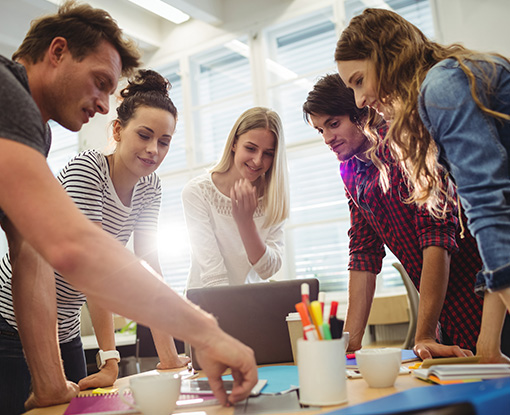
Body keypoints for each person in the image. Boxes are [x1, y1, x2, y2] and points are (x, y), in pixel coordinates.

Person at [0, 2, 257, 413]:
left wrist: (49, 382)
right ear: (58, 51)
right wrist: (208, 332)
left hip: (58, 330)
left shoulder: (35, 132)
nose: (103, 104)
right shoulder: (6, 92)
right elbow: (75, 249)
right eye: (99, 82)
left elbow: (30, 250)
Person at [0, 69, 191, 412]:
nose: (153, 150)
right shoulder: (88, 170)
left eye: (164, 142)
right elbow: (92, 267)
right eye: (144, 136)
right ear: (117, 130)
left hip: (65, 329)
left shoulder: (151, 187)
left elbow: (151, 265)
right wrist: (110, 359)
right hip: (11, 323)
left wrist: (169, 356)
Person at [335, 7, 510, 363]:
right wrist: (488, 347)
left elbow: (491, 214)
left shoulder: (441, 87)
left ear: (385, 57)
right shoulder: (443, 84)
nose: (360, 100)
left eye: (358, 81)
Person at [302, 73, 503, 359]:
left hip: (487, 297)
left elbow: (437, 239)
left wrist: (423, 333)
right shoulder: (350, 172)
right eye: (320, 130)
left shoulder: (407, 146)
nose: (327, 139)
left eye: (334, 124)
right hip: (447, 315)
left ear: (363, 113)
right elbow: (363, 253)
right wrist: (350, 343)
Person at [182, 107, 289, 288]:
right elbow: (213, 274)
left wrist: (246, 223)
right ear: (234, 144)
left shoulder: (274, 199)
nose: (257, 160)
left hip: (247, 305)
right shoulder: (198, 192)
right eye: (250, 148)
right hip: (206, 303)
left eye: (268, 154)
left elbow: (268, 270)